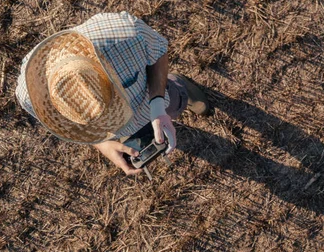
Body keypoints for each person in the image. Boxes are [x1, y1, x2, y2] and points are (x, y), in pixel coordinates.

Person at [15, 11, 209, 176]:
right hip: (123, 130)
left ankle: (180, 90)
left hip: (152, 97)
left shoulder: (128, 37)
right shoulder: (30, 98)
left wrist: (157, 104)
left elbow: (159, 53)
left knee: (173, 100)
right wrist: (103, 144)